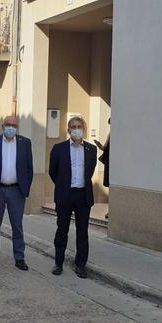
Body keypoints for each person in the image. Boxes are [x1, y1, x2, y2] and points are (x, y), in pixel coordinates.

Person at [0, 116, 33, 271]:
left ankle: (20, 257)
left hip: (17, 191)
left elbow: (29, 168)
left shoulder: (25, 143)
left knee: (17, 225)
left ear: (17, 127)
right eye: (8, 125)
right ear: (3, 126)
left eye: (14, 125)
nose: (11, 127)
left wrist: (26, 189)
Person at [49, 116, 97, 279]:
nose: (76, 129)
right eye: (73, 127)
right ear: (68, 130)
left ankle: (81, 265)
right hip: (65, 195)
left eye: (79, 126)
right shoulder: (59, 148)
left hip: (83, 196)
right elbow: (53, 171)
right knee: (62, 230)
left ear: (83, 128)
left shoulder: (91, 150)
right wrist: (62, 185)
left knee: (82, 232)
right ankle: (58, 263)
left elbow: (90, 171)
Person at [95, 118, 110, 219]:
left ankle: (111, 210)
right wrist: (99, 144)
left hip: (113, 162)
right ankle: (110, 210)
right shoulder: (111, 133)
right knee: (110, 186)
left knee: (112, 187)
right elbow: (104, 148)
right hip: (109, 162)